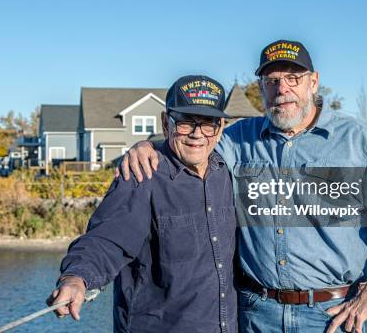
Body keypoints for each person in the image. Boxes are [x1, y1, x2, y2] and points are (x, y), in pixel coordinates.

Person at [119, 39, 367, 333]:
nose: (282, 88)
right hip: (257, 314)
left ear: (314, 81)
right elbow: (194, 141)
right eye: (271, 80)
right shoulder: (239, 139)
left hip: (331, 316)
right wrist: (149, 146)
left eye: (293, 77)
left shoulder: (358, 141)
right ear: (262, 88)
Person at [47, 75, 238, 333]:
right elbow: (106, 240)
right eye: (185, 123)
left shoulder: (228, 173)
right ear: (165, 123)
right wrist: (77, 278)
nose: (196, 134)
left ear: (221, 126)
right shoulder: (142, 175)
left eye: (207, 124)